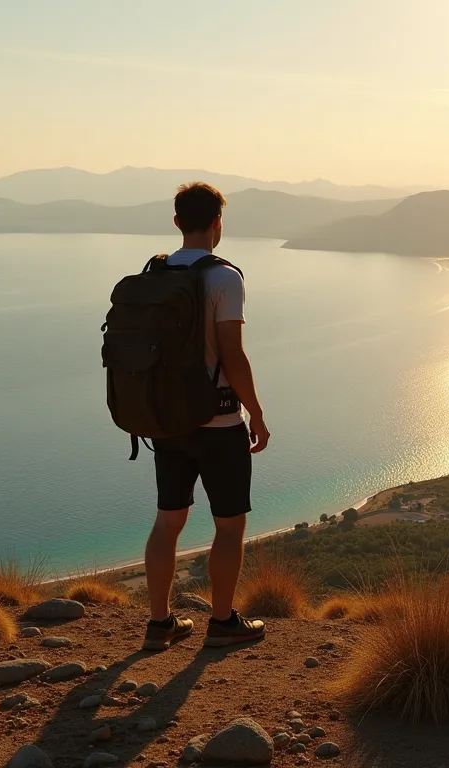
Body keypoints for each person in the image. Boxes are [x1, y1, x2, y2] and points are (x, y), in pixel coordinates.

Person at [141, 182, 270, 651]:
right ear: (218, 222)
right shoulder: (224, 278)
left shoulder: (155, 273)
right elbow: (232, 356)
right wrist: (255, 412)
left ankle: (160, 625)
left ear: (176, 222)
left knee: (168, 521)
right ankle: (221, 622)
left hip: (168, 422)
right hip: (218, 425)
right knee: (229, 524)